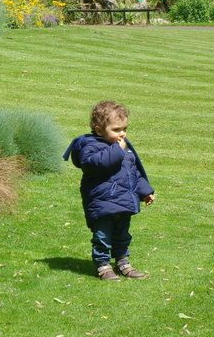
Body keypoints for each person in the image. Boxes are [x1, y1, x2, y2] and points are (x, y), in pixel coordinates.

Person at [63, 100, 156, 281]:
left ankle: (123, 262)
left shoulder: (122, 147)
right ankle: (103, 265)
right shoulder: (90, 146)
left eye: (124, 128)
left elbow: (133, 172)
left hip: (123, 200)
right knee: (102, 236)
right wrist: (117, 150)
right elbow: (95, 163)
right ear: (99, 130)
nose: (122, 134)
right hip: (102, 202)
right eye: (116, 130)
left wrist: (145, 191)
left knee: (123, 234)